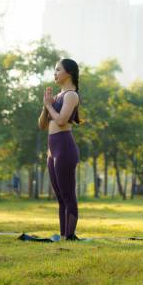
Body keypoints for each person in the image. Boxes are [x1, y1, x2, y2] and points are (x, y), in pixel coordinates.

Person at [38, 59, 81, 241]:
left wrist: (50, 106)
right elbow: (42, 125)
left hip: (65, 147)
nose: (55, 73)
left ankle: (70, 236)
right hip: (52, 150)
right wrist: (45, 105)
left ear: (69, 73)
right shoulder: (57, 96)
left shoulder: (71, 95)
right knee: (60, 197)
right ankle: (64, 236)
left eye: (58, 70)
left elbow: (62, 120)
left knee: (68, 195)